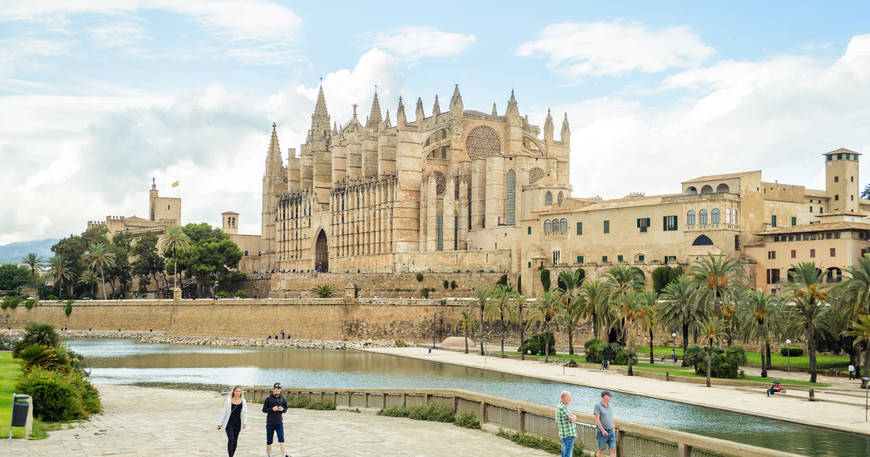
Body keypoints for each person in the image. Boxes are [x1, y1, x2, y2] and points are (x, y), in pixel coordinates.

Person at [217, 385, 247, 457]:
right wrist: (220, 423)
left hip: (238, 423)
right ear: (233, 392)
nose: (238, 393)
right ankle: (230, 456)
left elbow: (245, 412)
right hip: (229, 422)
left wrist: (244, 422)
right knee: (231, 439)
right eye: (236, 391)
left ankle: (232, 455)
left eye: (239, 391)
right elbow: (224, 412)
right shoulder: (229, 401)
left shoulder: (243, 401)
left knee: (235, 440)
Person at [262, 382, 289, 457]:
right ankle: (269, 455)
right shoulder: (268, 399)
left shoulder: (283, 399)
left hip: (279, 422)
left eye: (279, 390)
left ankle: (284, 455)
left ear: (281, 390)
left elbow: (286, 408)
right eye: (276, 390)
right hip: (270, 422)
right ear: (273, 389)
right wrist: (272, 409)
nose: (277, 391)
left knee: (281, 439)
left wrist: (282, 409)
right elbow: (264, 410)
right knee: (269, 440)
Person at [594, 390, 616, 457]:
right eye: (610, 396)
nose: (611, 398)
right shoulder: (597, 406)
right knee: (601, 449)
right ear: (605, 396)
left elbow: (612, 417)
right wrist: (603, 430)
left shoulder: (610, 406)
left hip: (611, 431)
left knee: (613, 449)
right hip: (601, 432)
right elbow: (597, 419)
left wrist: (613, 429)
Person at [555, 391, 576, 457]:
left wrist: (572, 416)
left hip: (564, 435)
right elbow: (572, 419)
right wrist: (575, 417)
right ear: (565, 398)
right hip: (568, 435)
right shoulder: (562, 407)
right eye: (569, 397)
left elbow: (570, 416)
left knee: (564, 454)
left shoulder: (561, 406)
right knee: (567, 455)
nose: (570, 399)